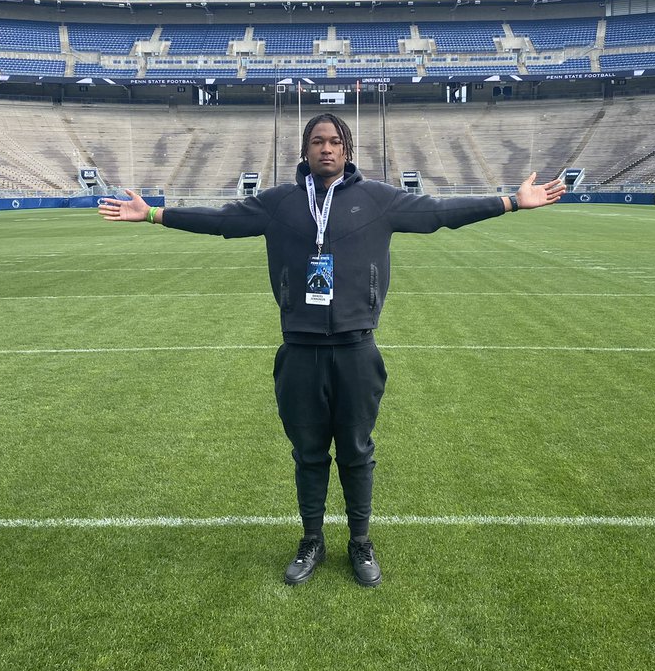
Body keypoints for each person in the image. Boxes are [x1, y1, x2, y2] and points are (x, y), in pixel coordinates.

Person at [98, 113, 565, 587]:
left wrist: (510, 202)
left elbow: (439, 213)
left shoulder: (377, 200)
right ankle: (312, 541)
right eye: (317, 141)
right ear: (304, 151)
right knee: (308, 453)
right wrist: (155, 214)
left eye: (335, 141)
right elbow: (221, 221)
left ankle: (360, 542)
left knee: (357, 452)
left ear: (347, 150)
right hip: (299, 351)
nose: (326, 148)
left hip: (357, 349)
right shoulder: (278, 204)